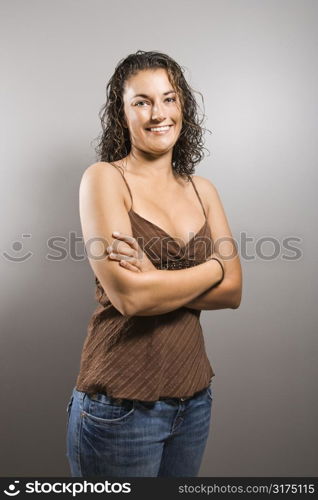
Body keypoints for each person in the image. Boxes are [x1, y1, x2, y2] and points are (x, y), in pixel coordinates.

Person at [66, 50, 242, 477]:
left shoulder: (203, 189)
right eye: (141, 101)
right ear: (121, 113)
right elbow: (130, 298)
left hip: (194, 401)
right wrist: (216, 267)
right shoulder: (105, 179)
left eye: (169, 98)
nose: (157, 113)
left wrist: (159, 278)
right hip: (120, 408)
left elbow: (234, 291)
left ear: (183, 106)